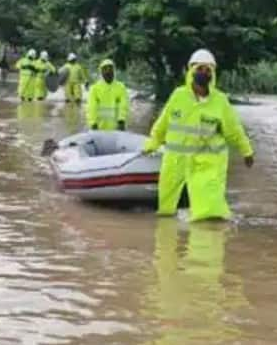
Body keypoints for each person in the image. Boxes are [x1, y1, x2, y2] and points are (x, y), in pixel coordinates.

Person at [142, 48, 255, 222]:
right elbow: (162, 125)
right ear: (191, 71)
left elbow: (234, 130)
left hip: (206, 162)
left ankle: (206, 243)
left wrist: (246, 151)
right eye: (200, 69)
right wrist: (151, 145)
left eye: (208, 70)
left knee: (209, 214)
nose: (204, 73)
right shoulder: (178, 96)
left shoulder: (220, 101)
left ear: (213, 74)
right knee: (166, 211)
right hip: (175, 160)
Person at [86, 59, 129, 130]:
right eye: (105, 69)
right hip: (99, 127)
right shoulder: (95, 88)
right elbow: (91, 107)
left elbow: (124, 105)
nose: (108, 71)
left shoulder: (121, 87)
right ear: (101, 72)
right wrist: (93, 123)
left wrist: (121, 120)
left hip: (117, 127)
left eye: (110, 68)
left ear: (114, 71)